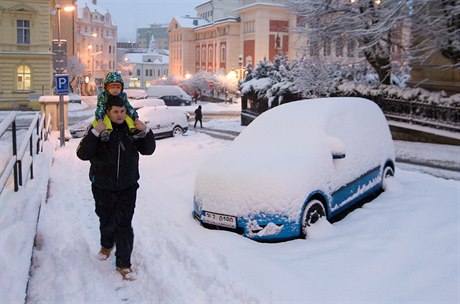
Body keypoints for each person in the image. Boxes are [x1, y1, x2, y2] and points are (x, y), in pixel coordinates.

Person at [76, 95, 156, 281]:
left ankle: (123, 264)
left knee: (123, 224)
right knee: (106, 219)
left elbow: (148, 150)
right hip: (102, 186)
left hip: (128, 186)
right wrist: (95, 133)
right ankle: (106, 244)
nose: (120, 115)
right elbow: (82, 154)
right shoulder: (98, 128)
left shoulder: (132, 129)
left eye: (122, 111)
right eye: (116, 112)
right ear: (108, 112)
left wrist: (146, 132)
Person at [93, 72, 142, 142]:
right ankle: (105, 132)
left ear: (121, 88)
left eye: (118, 87)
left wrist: (135, 116)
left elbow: (128, 106)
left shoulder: (122, 95)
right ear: (107, 88)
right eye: (112, 87)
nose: (115, 90)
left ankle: (134, 130)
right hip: (106, 113)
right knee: (102, 120)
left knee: (127, 117)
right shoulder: (103, 95)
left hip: (119, 115)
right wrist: (99, 117)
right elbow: (100, 106)